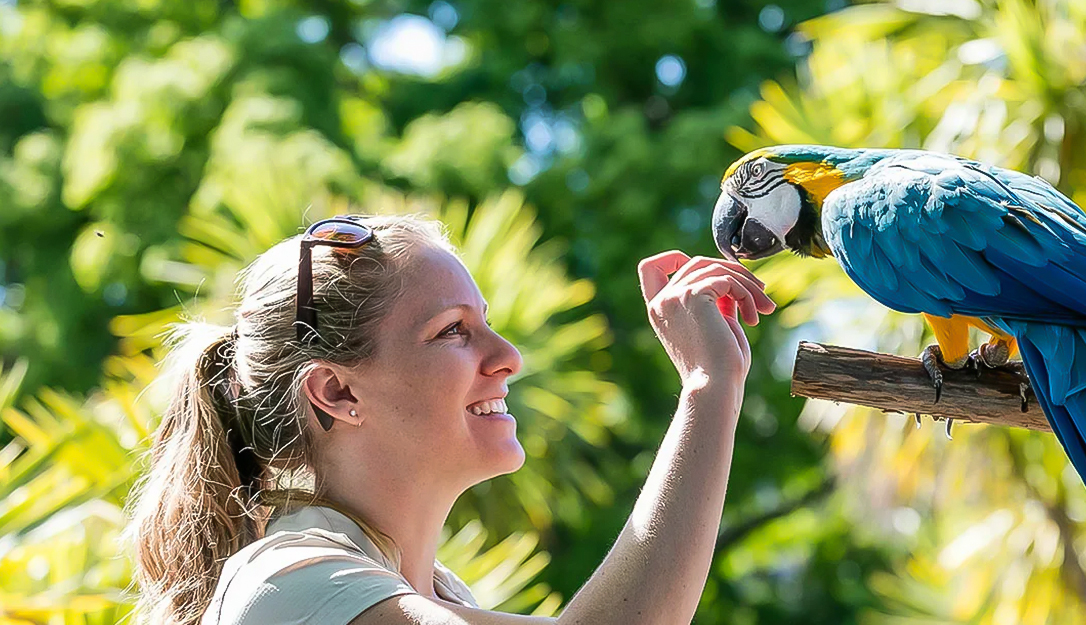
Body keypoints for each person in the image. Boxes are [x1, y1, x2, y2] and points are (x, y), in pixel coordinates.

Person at [124, 213, 777, 625]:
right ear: (336, 391)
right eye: (453, 332)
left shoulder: (437, 593)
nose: (509, 357)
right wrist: (708, 386)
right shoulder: (289, 582)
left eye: (486, 323)